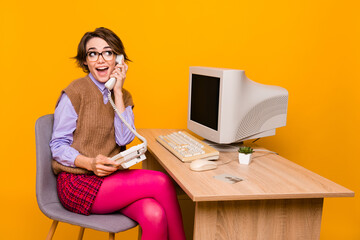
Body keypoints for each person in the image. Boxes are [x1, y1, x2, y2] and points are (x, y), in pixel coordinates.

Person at [50, 27, 186, 240]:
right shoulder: (74, 93)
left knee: (154, 214)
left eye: (108, 52)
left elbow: (124, 139)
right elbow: (57, 146)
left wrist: (118, 92)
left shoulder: (123, 95)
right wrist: (90, 163)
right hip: (77, 181)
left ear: (118, 59)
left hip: (110, 180)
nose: (101, 59)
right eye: (93, 53)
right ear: (85, 61)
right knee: (161, 182)